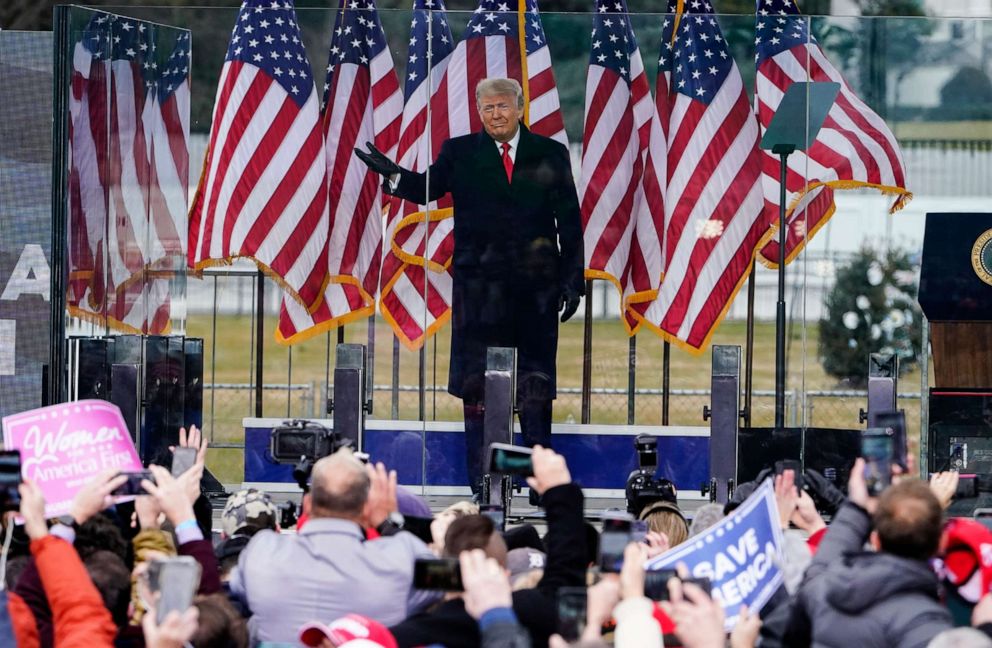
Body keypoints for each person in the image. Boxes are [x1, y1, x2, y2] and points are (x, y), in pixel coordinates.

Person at [356, 77, 584, 495]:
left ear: (519, 108)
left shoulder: (550, 154)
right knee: (477, 388)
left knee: (534, 388)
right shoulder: (459, 152)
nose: (495, 115)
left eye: (503, 107)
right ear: (479, 112)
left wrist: (573, 281)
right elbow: (428, 188)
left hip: (536, 294)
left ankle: (540, 482)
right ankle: (485, 481)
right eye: (487, 109)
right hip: (478, 295)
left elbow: (568, 222)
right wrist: (394, 178)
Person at [228, 449, 436, 644]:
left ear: (307, 505)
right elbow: (444, 580)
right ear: (367, 509)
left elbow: (238, 588)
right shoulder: (401, 560)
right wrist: (390, 524)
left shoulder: (263, 550)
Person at [781, 458, 954, 647]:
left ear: (875, 540)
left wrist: (858, 506)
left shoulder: (821, 589)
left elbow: (821, 566)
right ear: (942, 543)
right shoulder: (925, 623)